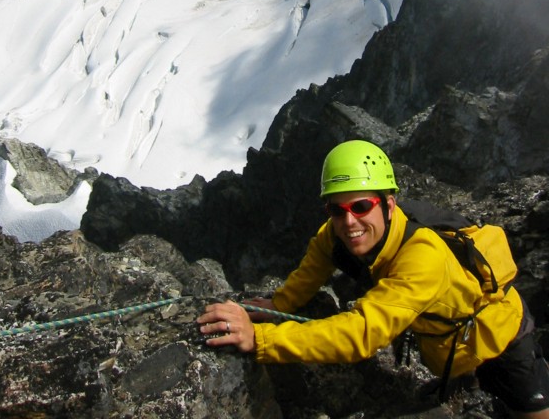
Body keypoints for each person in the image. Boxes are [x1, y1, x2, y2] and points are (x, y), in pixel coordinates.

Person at [197, 139, 549, 418]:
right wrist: (279, 304)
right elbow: (313, 267)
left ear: (389, 205)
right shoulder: (336, 235)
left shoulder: (423, 256)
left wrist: (259, 339)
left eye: (361, 207)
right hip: (444, 340)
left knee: (531, 410)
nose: (349, 221)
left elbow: (362, 333)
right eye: (337, 209)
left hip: (502, 336)